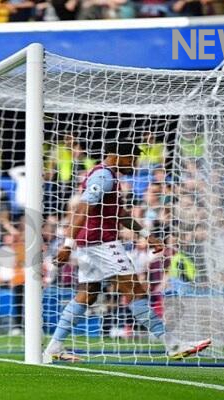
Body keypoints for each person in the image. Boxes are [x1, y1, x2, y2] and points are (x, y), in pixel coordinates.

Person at [42, 142, 209, 363]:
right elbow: (82, 208)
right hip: (101, 244)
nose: (135, 164)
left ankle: (54, 346)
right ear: (117, 156)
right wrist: (66, 245)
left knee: (88, 294)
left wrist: (146, 235)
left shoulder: (107, 176)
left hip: (89, 244)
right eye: (132, 158)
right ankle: (173, 345)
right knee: (135, 291)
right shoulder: (103, 176)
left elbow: (119, 214)